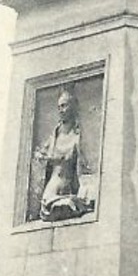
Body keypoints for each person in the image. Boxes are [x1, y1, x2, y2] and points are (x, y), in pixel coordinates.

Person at [32, 88, 94, 221]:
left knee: (73, 203)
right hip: (52, 192)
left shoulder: (79, 136)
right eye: (59, 106)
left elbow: (85, 168)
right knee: (60, 207)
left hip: (71, 190)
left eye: (64, 106)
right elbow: (40, 159)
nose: (60, 109)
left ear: (72, 107)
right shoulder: (53, 138)